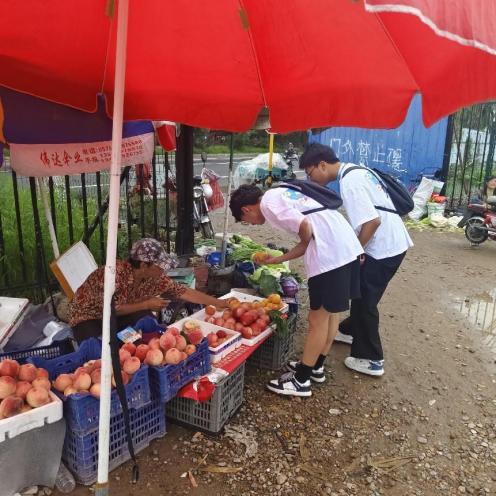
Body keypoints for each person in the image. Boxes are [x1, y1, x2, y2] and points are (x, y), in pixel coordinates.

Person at [229, 184, 363, 397]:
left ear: (246, 209)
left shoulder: (268, 204)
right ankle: (316, 366)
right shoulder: (278, 193)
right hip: (346, 248)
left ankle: (301, 381)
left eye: (247, 221)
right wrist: (280, 259)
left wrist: (300, 245)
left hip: (330, 255)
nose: (252, 224)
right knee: (329, 314)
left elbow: (305, 226)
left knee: (316, 319)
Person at [299, 143, 413, 377]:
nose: (311, 179)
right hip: (392, 242)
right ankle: (350, 329)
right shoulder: (357, 170)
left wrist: (354, 251)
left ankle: (371, 359)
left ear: (322, 165)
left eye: (311, 174)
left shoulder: (350, 182)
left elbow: (372, 221)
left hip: (384, 248)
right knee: (360, 291)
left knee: (365, 301)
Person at [69, 238, 230, 343]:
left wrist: (219, 302)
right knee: (96, 350)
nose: (164, 271)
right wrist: (147, 304)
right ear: (145, 265)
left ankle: (134, 346)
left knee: (148, 328)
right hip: (89, 317)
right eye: (160, 266)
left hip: (122, 314)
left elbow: (183, 291)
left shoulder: (154, 277)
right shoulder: (114, 274)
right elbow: (113, 308)